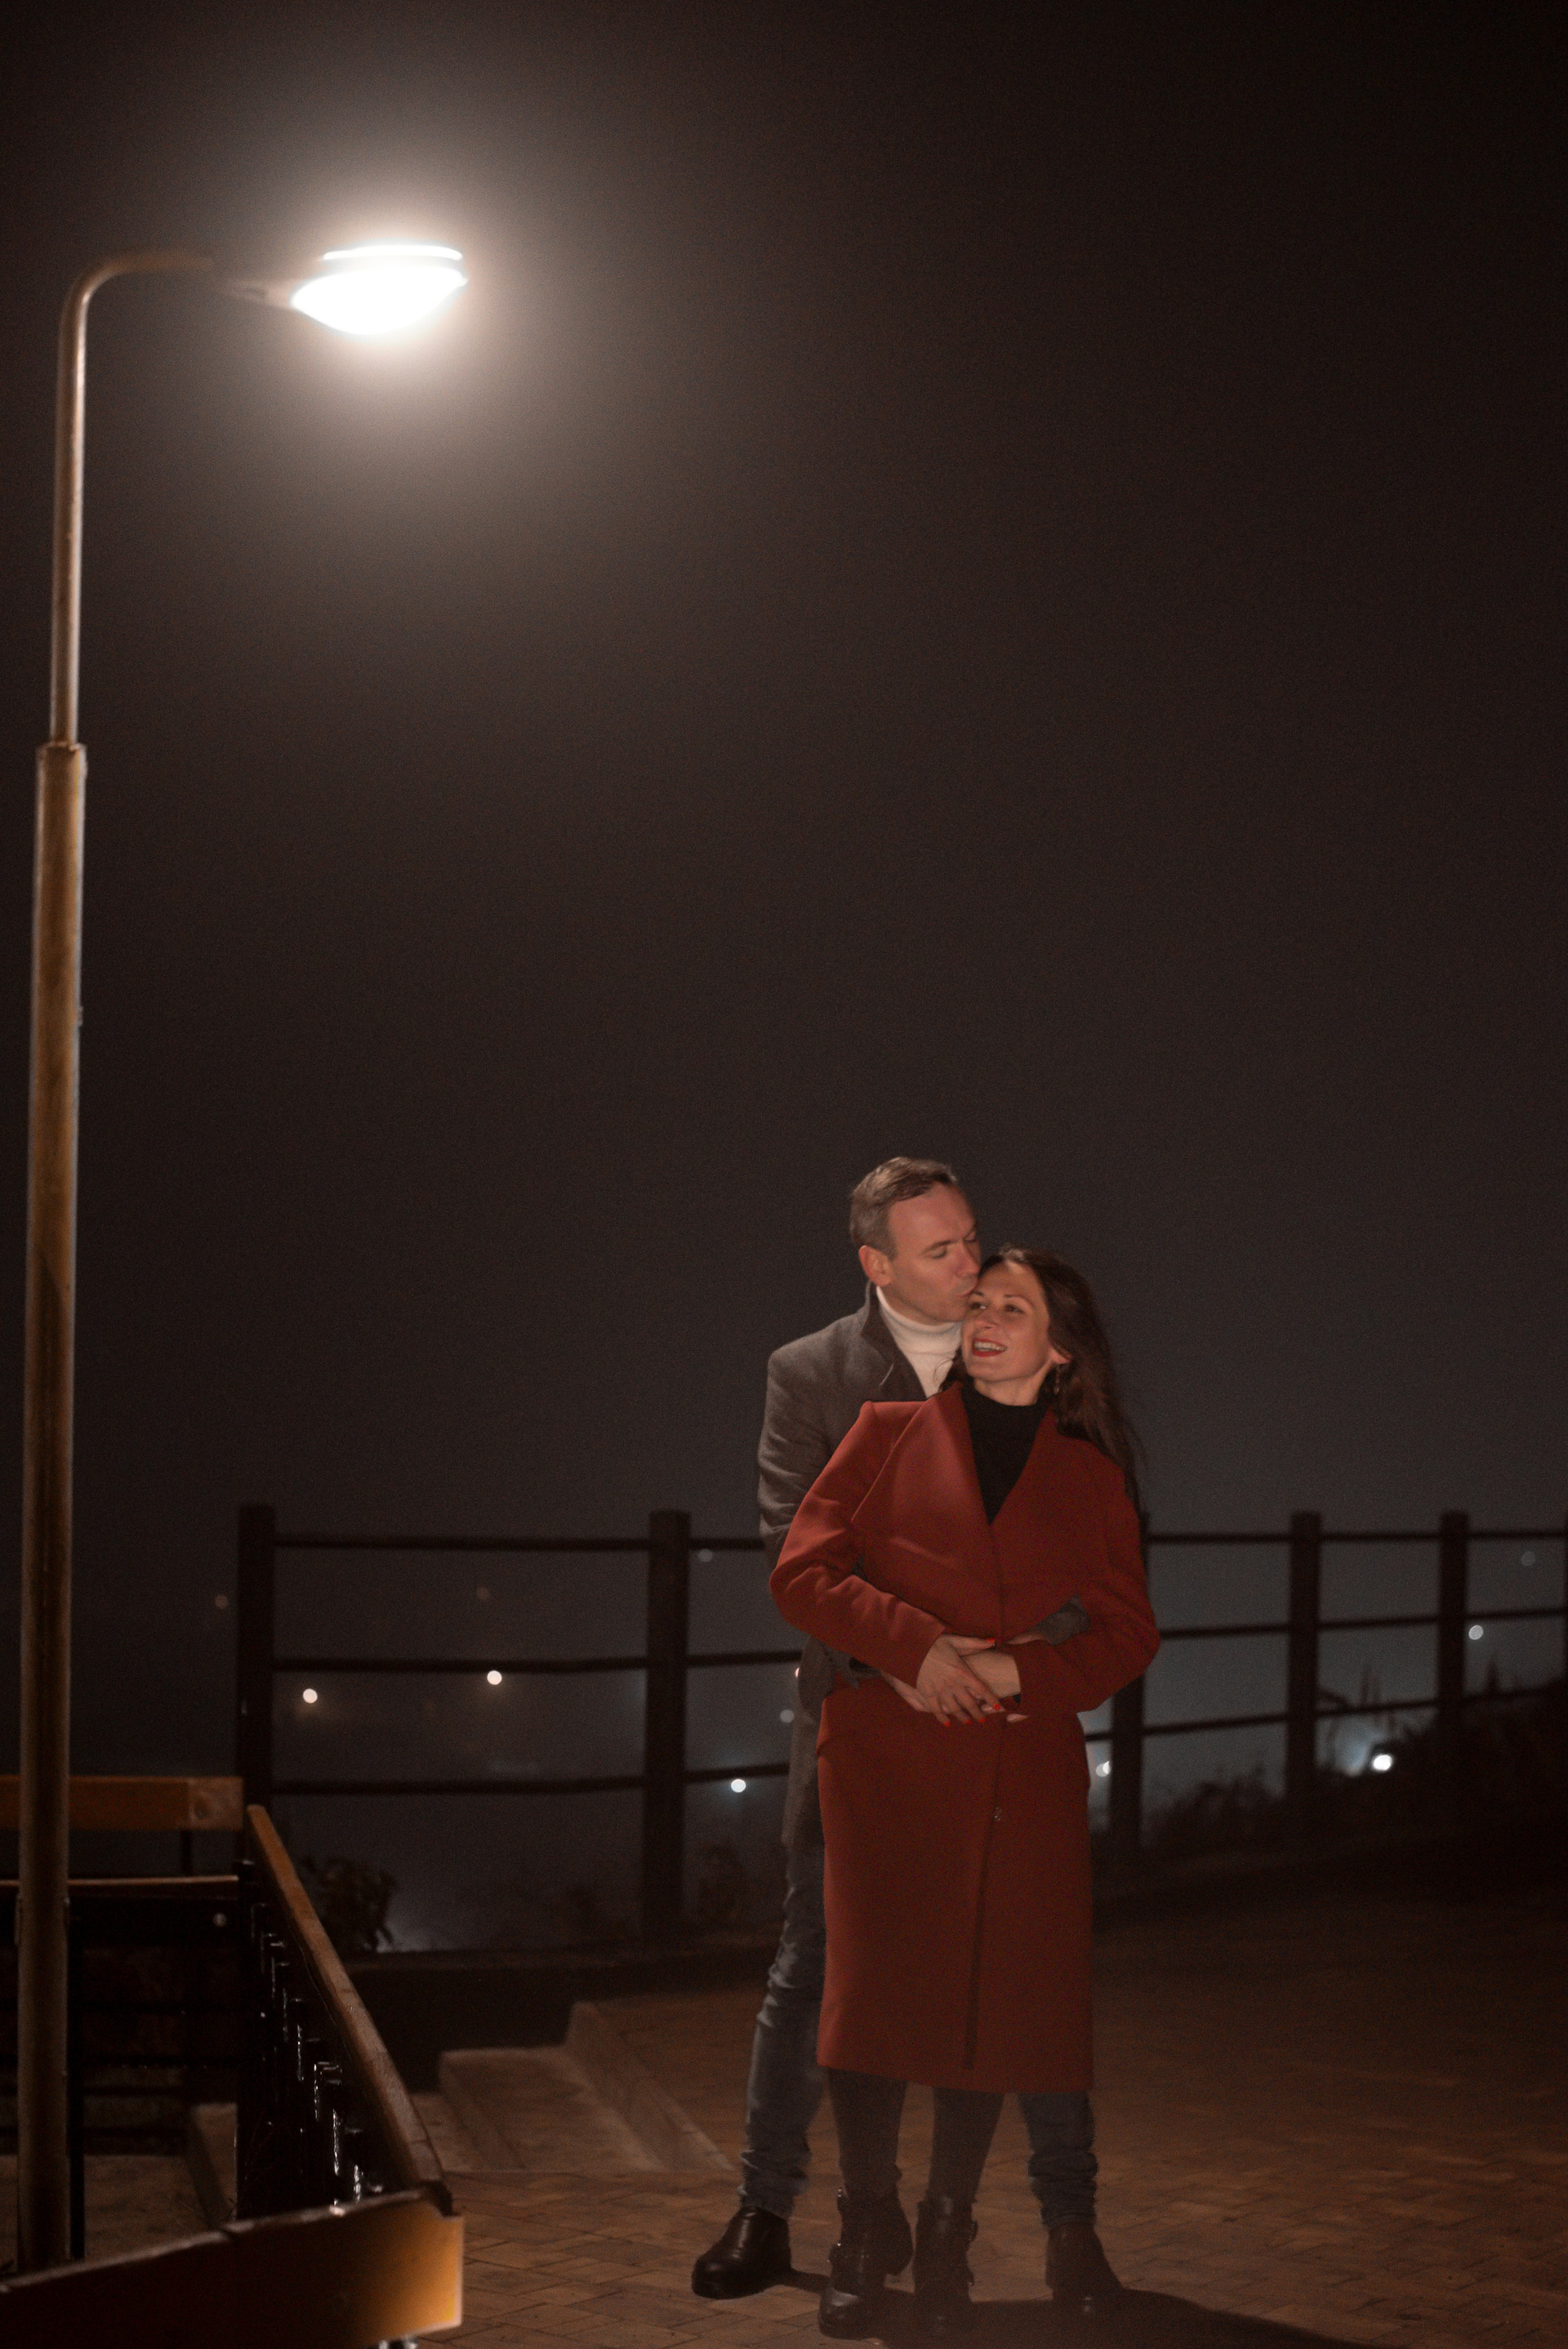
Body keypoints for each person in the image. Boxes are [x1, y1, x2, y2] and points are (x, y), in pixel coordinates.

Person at [770, 1249, 1160, 2335]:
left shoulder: (1091, 1479)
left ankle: (947, 2233)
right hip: (886, 1759)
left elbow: (1128, 1633)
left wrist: (1010, 1673)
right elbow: (802, 1571)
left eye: (1012, 1309)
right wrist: (917, 1648)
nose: (984, 1320)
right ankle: (865, 2225)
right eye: (978, 1303)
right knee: (870, 2003)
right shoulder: (886, 1432)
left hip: (1013, 1766)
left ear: (1061, 1347)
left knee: (987, 2009)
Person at [691, 1158, 981, 2301]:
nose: (969, 1262)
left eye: (970, 1238)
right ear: (877, 1264)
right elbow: (793, 1546)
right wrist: (912, 1654)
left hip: (984, 1713)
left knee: (970, 1970)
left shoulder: (1016, 1349)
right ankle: (767, 2206)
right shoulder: (809, 1371)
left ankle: (926, 2223)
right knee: (813, 1961)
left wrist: (987, 1659)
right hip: (858, 1713)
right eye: (941, 1249)